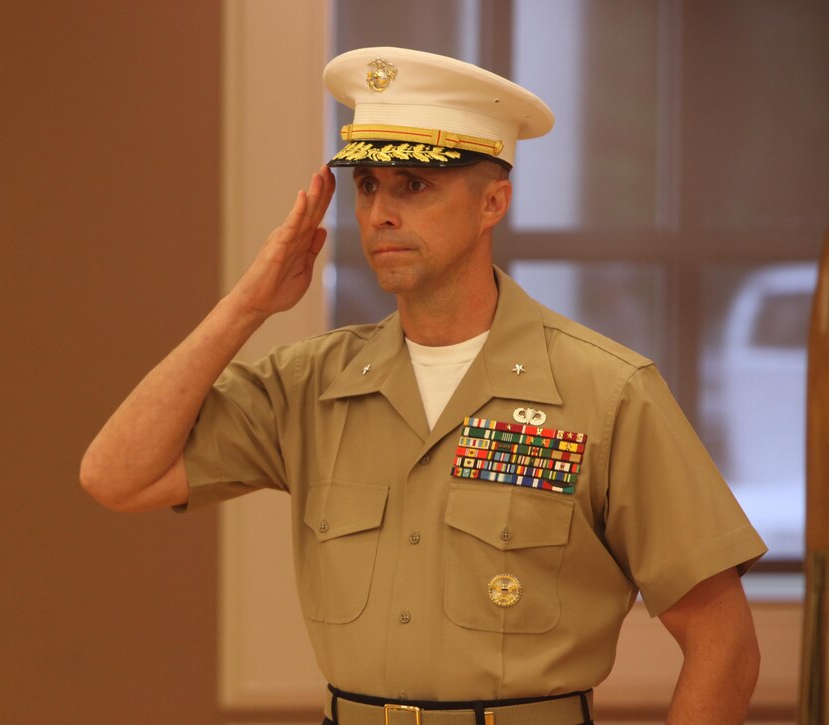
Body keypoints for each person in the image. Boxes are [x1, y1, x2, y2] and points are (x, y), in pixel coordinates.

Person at [81, 47, 767, 724]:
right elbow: (117, 476)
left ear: (492, 202)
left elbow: (724, 643)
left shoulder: (607, 392)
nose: (380, 213)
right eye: (369, 186)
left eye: (414, 186)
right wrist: (247, 305)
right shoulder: (313, 386)